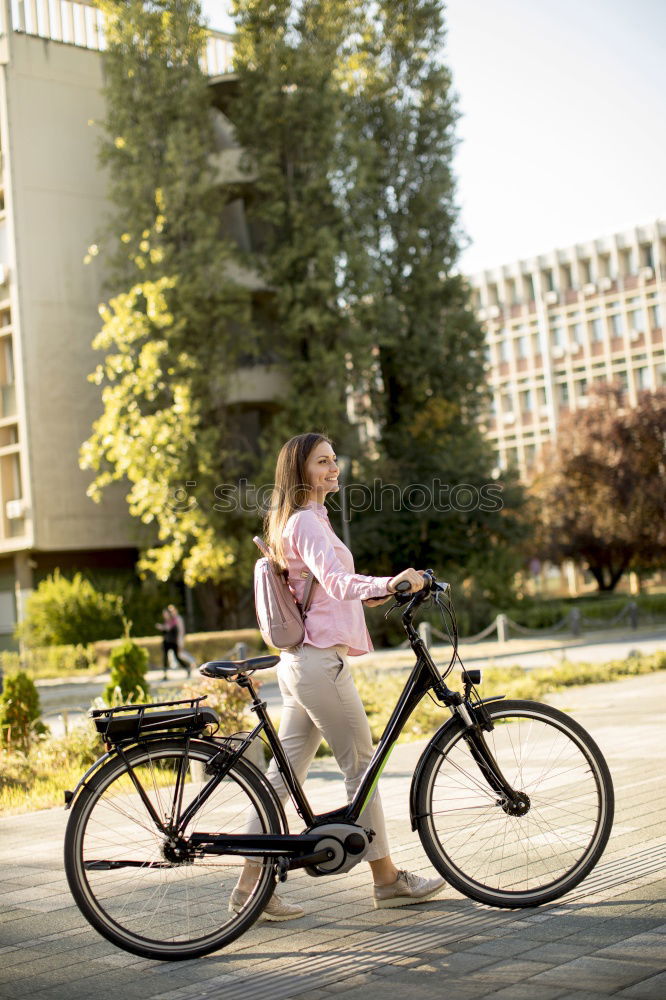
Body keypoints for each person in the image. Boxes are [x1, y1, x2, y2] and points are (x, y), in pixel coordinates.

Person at [231, 432, 445, 921]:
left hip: (304, 664)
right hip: (319, 665)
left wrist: (383, 591)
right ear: (301, 471)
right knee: (361, 768)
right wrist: (388, 581)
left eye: (334, 460)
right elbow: (338, 583)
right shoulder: (306, 521)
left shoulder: (310, 519)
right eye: (322, 462)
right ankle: (387, 881)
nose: (334, 468)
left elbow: (330, 591)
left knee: (281, 782)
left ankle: (247, 892)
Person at [156, 606, 192, 679]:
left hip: (173, 642)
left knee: (177, 657)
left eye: (165, 613)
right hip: (166, 642)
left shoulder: (174, 620)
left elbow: (169, 628)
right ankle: (165, 674)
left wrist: (161, 627)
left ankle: (187, 667)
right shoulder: (166, 621)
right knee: (165, 658)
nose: (164, 615)